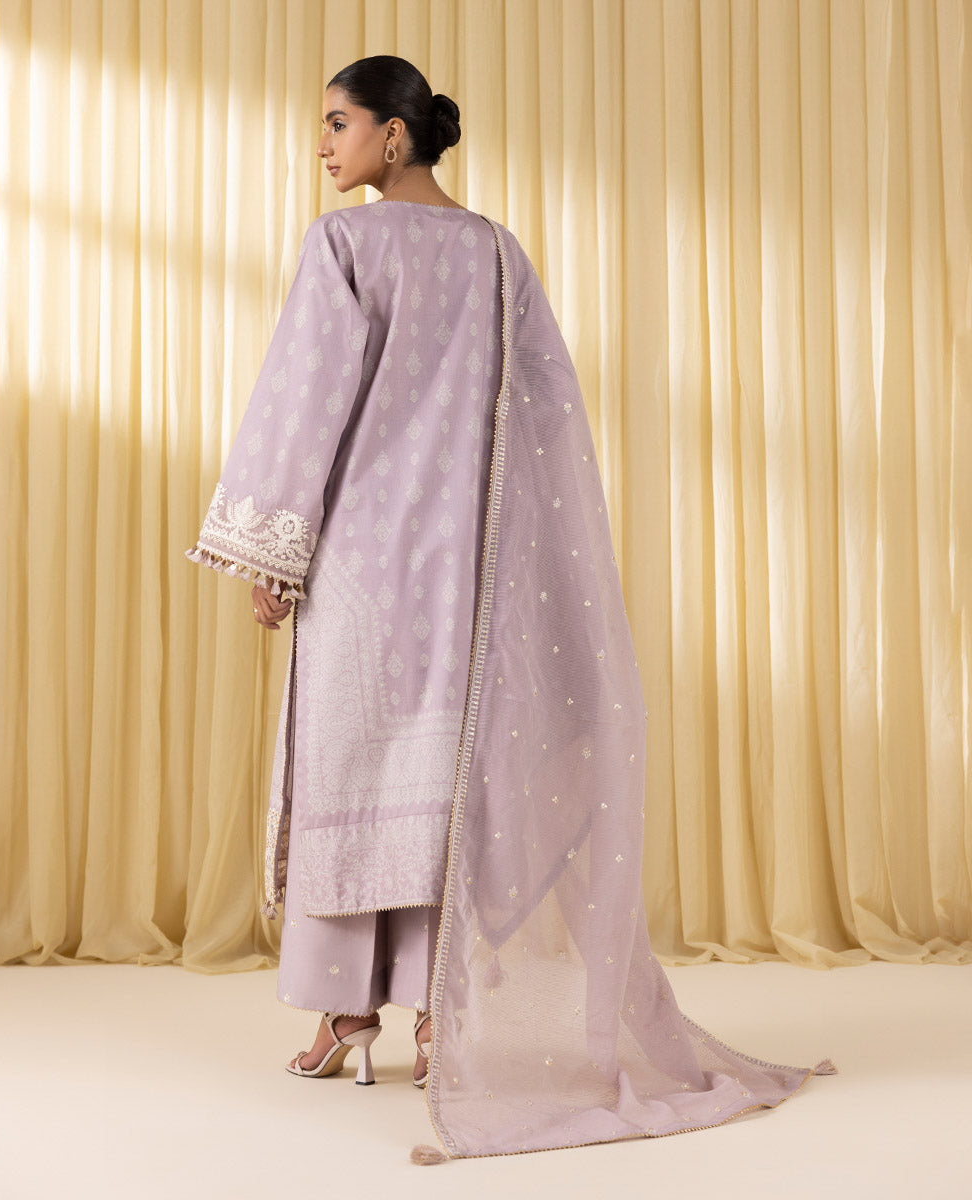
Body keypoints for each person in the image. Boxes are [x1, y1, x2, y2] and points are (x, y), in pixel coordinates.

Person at [189, 54, 835, 1163]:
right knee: (442, 787)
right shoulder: (496, 252)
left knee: (351, 775)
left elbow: (306, 397)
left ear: (394, 135)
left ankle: (346, 1013)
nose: (323, 145)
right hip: (465, 567)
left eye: (339, 124)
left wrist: (273, 550)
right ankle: (440, 1018)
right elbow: (545, 410)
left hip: (362, 561)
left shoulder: (344, 243)